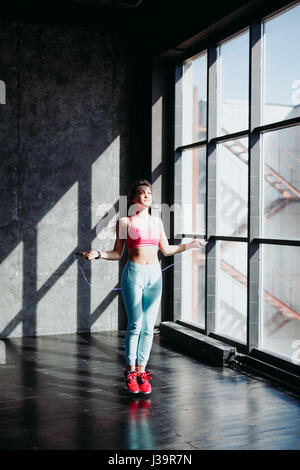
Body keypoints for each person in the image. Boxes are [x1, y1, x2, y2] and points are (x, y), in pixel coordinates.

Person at [80, 179, 207, 394]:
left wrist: (191, 245)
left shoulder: (157, 222)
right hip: (134, 274)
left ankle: (141, 370)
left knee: (149, 328)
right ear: (133, 198)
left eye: (149, 193)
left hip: (154, 276)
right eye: (141, 192)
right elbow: (117, 253)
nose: (146, 195)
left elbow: (166, 250)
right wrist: (98, 253)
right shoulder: (125, 222)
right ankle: (130, 372)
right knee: (136, 325)